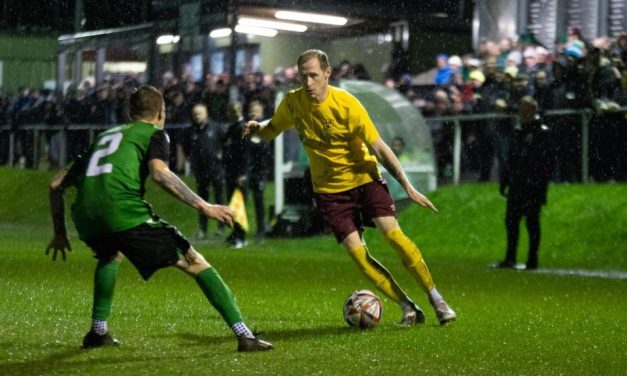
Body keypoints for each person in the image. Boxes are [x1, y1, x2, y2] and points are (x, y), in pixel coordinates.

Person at [45, 85, 272, 352]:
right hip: (124, 210)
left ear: (130, 112)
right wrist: (204, 206)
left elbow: (55, 185)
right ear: (161, 111)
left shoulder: (106, 135)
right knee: (195, 263)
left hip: (86, 216)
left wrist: (60, 233)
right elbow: (160, 173)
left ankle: (98, 331)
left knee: (110, 255)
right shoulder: (154, 133)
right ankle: (244, 335)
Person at [243, 49, 456, 325]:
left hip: (364, 180)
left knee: (393, 237)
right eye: (302, 76)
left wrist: (408, 187)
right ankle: (408, 307)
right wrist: (258, 126)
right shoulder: (293, 103)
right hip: (330, 192)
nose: (307, 82)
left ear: (327, 74)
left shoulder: (347, 104)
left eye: (313, 76)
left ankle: (437, 299)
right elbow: (273, 128)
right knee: (358, 255)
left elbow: (379, 147)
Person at [497, 96, 555, 270]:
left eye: (525, 110)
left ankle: (532, 260)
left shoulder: (542, 133)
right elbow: (512, 158)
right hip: (517, 184)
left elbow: (546, 163)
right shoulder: (518, 132)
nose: (521, 114)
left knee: (531, 222)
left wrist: (540, 185)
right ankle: (510, 257)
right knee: (512, 221)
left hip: (532, 186)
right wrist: (505, 180)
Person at [182, 103, 225, 240]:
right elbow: (186, 148)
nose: (197, 116)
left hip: (216, 170)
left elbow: (226, 143)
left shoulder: (216, 128)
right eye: (195, 114)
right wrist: (192, 160)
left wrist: (222, 154)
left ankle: (220, 228)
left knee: (219, 199)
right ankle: (203, 229)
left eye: (199, 113)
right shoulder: (190, 131)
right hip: (200, 171)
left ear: (206, 114)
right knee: (201, 201)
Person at [222, 101, 250, 249]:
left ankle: (241, 236)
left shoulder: (241, 128)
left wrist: (243, 173)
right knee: (233, 204)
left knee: (238, 205)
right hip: (231, 172)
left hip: (238, 173)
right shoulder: (233, 128)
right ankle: (235, 233)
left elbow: (245, 153)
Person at [246, 100, 271, 242]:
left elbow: (265, 147)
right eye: (251, 109)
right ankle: (240, 230)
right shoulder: (246, 127)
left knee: (258, 201)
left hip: (259, 171)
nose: (253, 112)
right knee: (241, 200)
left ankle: (261, 230)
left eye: (256, 109)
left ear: (261, 111)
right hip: (246, 170)